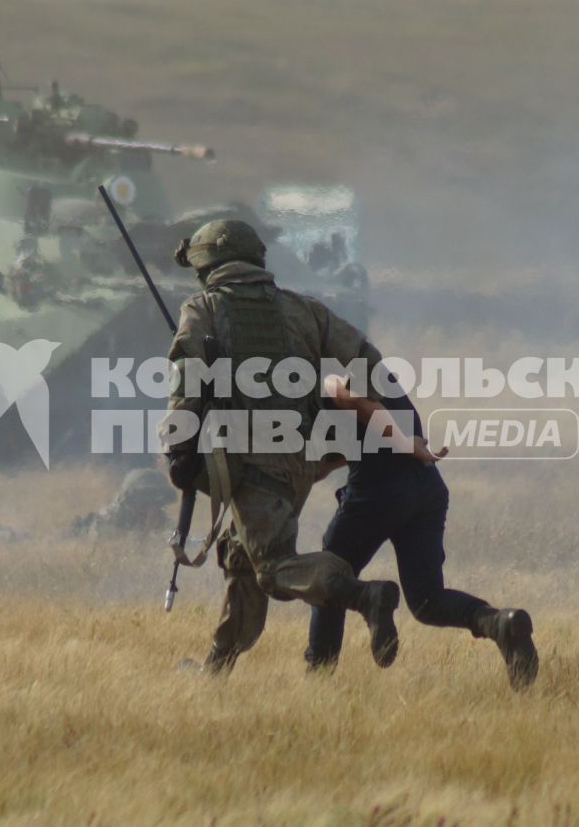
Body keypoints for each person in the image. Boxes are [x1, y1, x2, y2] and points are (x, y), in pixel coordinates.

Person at [162, 218, 401, 674]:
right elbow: (369, 363)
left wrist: (177, 446)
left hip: (249, 461)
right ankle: (217, 668)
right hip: (301, 459)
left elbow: (186, 378)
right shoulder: (302, 309)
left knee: (272, 568)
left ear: (206, 264)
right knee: (242, 559)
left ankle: (365, 596)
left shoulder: (203, 307)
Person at [303, 376, 539, 689]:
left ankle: (319, 674)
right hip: (426, 489)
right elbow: (358, 436)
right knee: (428, 600)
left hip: (378, 491)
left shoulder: (335, 374)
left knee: (328, 575)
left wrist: (405, 444)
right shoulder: (374, 369)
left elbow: (358, 403)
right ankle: (500, 624)